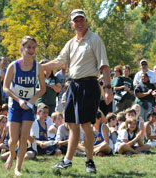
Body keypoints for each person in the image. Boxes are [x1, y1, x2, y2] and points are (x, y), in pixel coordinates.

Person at [43, 9, 113, 174]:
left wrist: (108, 88)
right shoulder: (71, 43)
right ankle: (67, 161)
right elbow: (59, 61)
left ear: (86, 21)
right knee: (72, 125)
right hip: (73, 86)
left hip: (89, 85)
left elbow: (104, 65)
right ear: (72, 24)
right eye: (76, 21)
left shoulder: (95, 39)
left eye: (81, 20)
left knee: (85, 125)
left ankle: (89, 162)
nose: (79, 23)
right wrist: (37, 67)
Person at [3, 35, 46, 176]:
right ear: (22, 48)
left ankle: (18, 168)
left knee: (23, 137)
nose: (31, 50)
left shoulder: (38, 66)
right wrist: (19, 100)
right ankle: (11, 153)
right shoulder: (13, 66)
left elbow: (43, 89)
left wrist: (32, 100)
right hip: (15, 104)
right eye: (28, 47)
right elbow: (5, 87)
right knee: (13, 139)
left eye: (33, 48)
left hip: (29, 106)